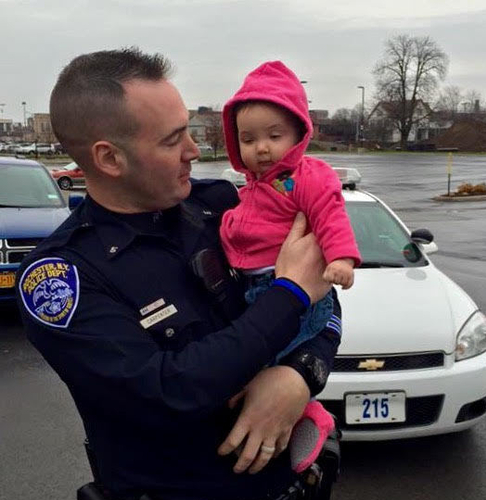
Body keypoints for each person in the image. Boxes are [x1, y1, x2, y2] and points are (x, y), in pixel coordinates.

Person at [15, 48, 341, 500]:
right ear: (109, 159)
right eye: (173, 140)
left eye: (188, 130)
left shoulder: (223, 207)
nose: (195, 150)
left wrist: (299, 376)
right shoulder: (62, 277)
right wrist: (286, 297)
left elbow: (322, 301)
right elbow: (166, 392)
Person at [220, 61, 361, 471]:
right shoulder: (251, 187)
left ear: (300, 133)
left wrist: (340, 259)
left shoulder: (309, 175)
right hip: (258, 288)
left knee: (268, 360)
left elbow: (331, 216)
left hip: (294, 291)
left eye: (274, 136)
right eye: (248, 139)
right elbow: (243, 230)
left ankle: (313, 417)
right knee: (263, 358)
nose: (261, 148)